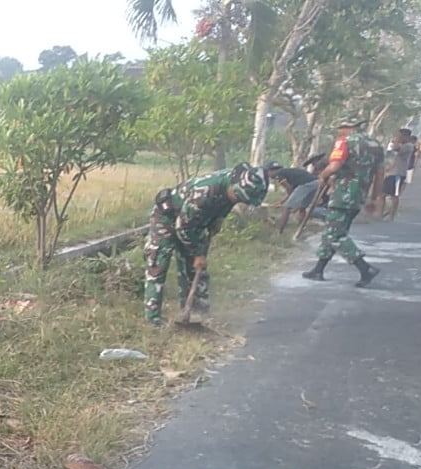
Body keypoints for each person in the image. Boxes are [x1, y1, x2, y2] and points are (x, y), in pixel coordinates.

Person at [143, 163, 270, 326]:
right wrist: (198, 254)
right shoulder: (202, 194)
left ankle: (196, 312)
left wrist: (218, 220)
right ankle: (152, 319)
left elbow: (226, 204)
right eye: (239, 197)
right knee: (159, 263)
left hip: (194, 221)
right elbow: (183, 230)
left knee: (194, 269)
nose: (239, 201)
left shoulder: (235, 181)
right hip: (168, 218)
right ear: (234, 187)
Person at [301, 117, 384, 287]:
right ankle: (318, 269)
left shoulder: (344, 142)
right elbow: (380, 174)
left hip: (342, 193)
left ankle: (365, 268)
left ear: (348, 127)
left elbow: (335, 166)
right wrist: (374, 198)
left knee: (335, 234)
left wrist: (322, 176)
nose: (339, 131)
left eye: (341, 127)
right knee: (333, 231)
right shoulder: (376, 144)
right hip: (359, 194)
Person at [270, 161, 328, 234]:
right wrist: (281, 201)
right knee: (302, 207)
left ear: (271, 171)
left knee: (287, 208)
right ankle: (301, 229)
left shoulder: (278, 175)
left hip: (307, 184)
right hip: (316, 182)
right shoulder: (288, 172)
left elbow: (289, 189)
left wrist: (290, 203)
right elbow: (293, 190)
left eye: (268, 173)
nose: (269, 175)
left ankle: (280, 231)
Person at [379, 129, 415, 220]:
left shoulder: (409, 146)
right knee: (383, 194)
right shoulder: (402, 145)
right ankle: (379, 214)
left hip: (398, 173)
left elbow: (396, 149)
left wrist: (397, 140)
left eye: (400, 136)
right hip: (391, 172)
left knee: (394, 195)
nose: (399, 137)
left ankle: (391, 215)